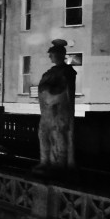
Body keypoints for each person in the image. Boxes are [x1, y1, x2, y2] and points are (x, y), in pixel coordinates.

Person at [36, 39, 77, 171]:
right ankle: (45, 161)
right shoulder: (51, 72)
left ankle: (58, 163)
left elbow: (63, 92)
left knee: (58, 136)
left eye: (51, 54)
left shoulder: (66, 72)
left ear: (58, 55)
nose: (49, 56)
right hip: (47, 111)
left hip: (58, 111)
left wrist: (47, 88)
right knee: (44, 135)